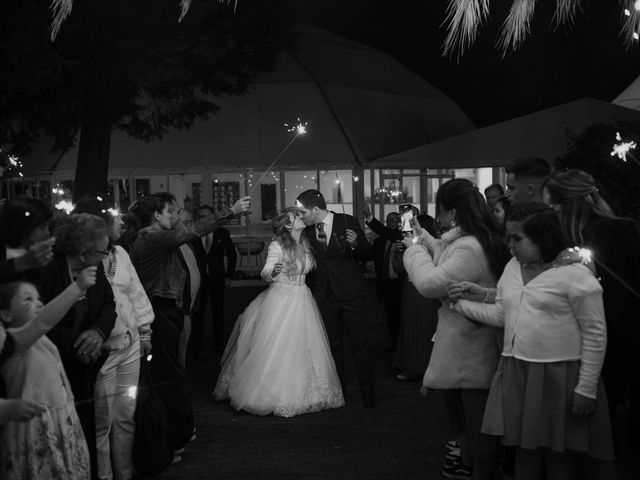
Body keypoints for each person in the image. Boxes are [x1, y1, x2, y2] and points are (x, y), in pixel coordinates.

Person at [450, 203, 615, 480]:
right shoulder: (514, 266)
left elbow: (595, 334)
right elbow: (506, 311)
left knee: (558, 456)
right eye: (508, 236)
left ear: (543, 238)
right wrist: (464, 303)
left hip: (560, 375)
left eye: (517, 238)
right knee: (525, 453)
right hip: (519, 370)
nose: (509, 245)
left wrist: (586, 388)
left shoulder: (574, 275)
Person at [402, 178, 510, 480]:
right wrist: (425, 240)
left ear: (450, 211)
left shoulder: (470, 247)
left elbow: (430, 283)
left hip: (472, 348)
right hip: (469, 343)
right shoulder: (473, 239)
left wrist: (413, 253)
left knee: (480, 439)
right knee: (473, 432)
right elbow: (447, 253)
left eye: (441, 212)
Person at [128, 193, 249, 455]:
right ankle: (170, 438)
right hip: (157, 313)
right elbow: (192, 230)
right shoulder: (150, 236)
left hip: (167, 310)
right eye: (170, 212)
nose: (176, 216)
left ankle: (175, 433)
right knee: (168, 376)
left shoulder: (157, 236)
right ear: (156, 216)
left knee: (170, 374)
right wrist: (230, 210)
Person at [543, 168, 640, 453]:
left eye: (554, 206)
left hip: (596, 334)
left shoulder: (585, 236)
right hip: (619, 332)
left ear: (564, 204)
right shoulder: (623, 228)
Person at [214, 207, 344, 417]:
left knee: (303, 346)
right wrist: (275, 270)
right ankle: (273, 393)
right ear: (287, 225)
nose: (301, 218)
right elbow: (266, 272)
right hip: (282, 300)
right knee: (279, 346)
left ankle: (306, 391)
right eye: (296, 217)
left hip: (303, 299)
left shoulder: (306, 243)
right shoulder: (277, 245)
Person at [74, 196, 154, 480]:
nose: (122, 221)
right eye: (115, 217)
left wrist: (144, 330)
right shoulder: (82, 259)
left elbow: (136, 293)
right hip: (104, 354)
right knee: (101, 422)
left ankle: (125, 473)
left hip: (130, 347)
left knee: (126, 414)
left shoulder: (120, 253)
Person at [0, 268, 99, 480]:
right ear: (6, 314)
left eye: (39, 298)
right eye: (27, 299)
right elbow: (44, 321)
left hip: (61, 420)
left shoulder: (44, 341)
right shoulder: (14, 344)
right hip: (33, 427)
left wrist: (69, 410)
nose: (38, 303)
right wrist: (78, 287)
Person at [40, 213, 117, 480]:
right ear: (84, 253)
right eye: (102, 250)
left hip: (87, 365)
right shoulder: (46, 273)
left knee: (85, 429)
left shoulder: (93, 269)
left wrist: (97, 332)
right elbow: (37, 323)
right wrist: (78, 342)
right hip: (52, 370)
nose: (106, 255)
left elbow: (108, 303)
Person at [296, 189, 375, 408]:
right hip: (324, 295)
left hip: (351, 293)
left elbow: (368, 253)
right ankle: (338, 392)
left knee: (359, 344)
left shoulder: (347, 221)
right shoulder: (307, 231)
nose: (301, 216)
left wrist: (356, 244)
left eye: (303, 212)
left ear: (315, 209)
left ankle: (367, 392)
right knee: (333, 346)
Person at [392, 214, 440, 382]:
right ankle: (411, 366)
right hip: (410, 288)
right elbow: (398, 268)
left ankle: (427, 368)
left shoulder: (434, 244)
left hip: (426, 289)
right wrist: (402, 252)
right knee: (409, 325)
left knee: (426, 327)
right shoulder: (411, 242)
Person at [192, 205, 237, 357]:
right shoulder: (194, 235)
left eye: (206, 215)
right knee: (198, 314)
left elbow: (232, 254)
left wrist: (229, 275)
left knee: (218, 313)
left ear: (213, 217)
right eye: (199, 216)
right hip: (199, 281)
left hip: (218, 279)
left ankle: (219, 347)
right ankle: (196, 347)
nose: (202, 219)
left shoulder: (222, 232)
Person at [363, 204, 404, 351]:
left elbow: (384, 231)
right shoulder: (380, 241)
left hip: (401, 284)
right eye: (390, 219)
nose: (393, 221)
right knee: (390, 315)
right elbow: (369, 256)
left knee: (402, 316)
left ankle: (401, 344)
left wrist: (369, 216)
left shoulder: (404, 237)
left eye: (396, 218)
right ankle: (393, 341)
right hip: (386, 284)